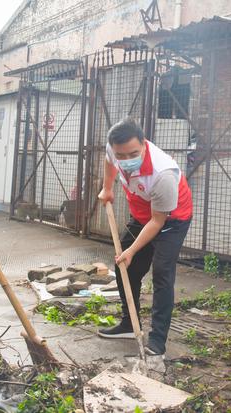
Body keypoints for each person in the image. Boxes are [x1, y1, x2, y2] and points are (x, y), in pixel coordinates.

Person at [97, 118, 192, 356]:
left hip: (172, 219)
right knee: (124, 266)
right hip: (142, 214)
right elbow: (109, 160)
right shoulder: (114, 149)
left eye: (133, 154)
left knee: (161, 272)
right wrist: (107, 188)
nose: (127, 160)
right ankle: (130, 324)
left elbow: (157, 222)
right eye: (122, 155)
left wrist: (133, 250)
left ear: (144, 143)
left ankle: (157, 340)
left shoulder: (163, 174)